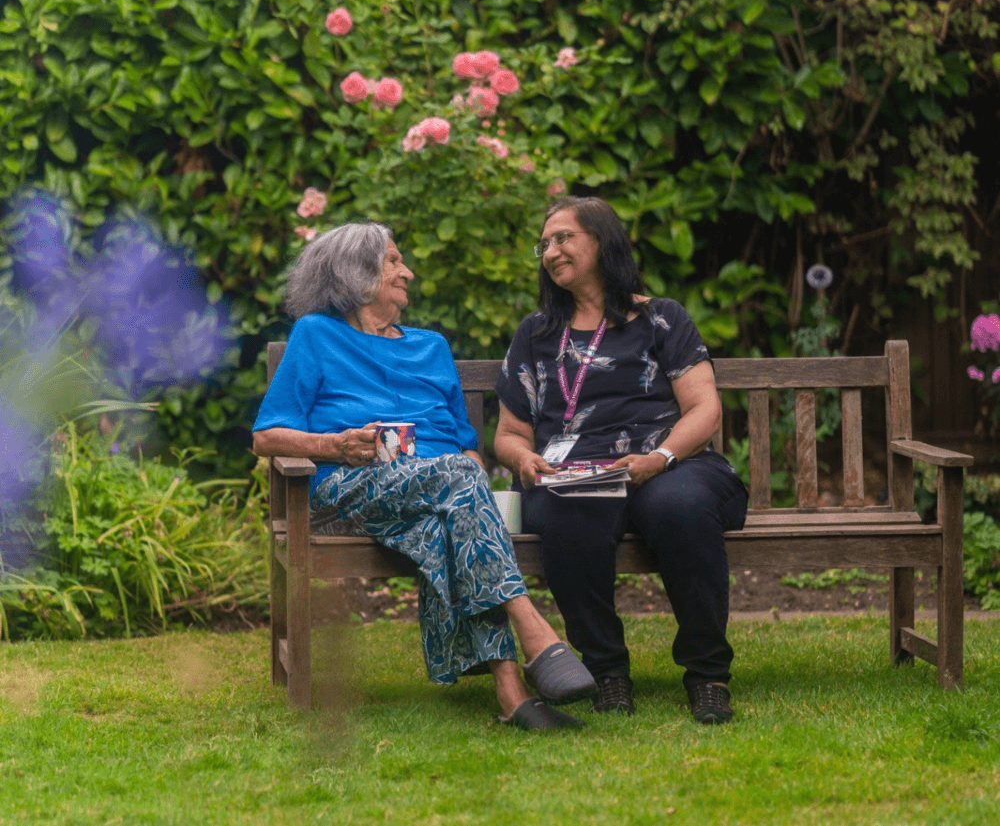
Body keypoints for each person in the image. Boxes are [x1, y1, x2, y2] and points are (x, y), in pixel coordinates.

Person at [252, 222, 597, 730]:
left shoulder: (431, 347)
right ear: (356, 272)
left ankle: (512, 695)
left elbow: (465, 445)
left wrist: (474, 483)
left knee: (452, 517)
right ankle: (535, 631)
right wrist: (334, 446)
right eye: (393, 261)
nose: (406, 271)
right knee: (458, 478)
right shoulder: (316, 335)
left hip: (442, 493)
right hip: (350, 486)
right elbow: (266, 435)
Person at [493, 196, 749, 724]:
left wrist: (657, 458)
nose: (550, 251)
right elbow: (509, 433)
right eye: (544, 244)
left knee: (681, 508)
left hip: (668, 463)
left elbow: (705, 409)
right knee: (567, 517)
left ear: (602, 241)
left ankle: (707, 676)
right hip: (574, 475)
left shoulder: (660, 319)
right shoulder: (536, 334)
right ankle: (607, 672)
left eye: (563, 237)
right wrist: (525, 460)